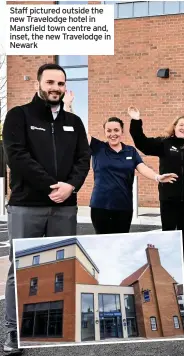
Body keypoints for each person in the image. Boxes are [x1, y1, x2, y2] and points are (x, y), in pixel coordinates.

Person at [2, 64, 91, 355]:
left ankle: (51, 324)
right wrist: (52, 185)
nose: (56, 87)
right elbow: (16, 156)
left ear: (65, 87)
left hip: (65, 207)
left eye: (61, 83)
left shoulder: (74, 122)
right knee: (22, 268)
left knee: (60, 267)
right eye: (51, 81)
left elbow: (83, 159)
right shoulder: (19, 116)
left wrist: (71, 187)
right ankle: (14, 331)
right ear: (40, 83)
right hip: (27, 205)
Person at [62, 94, 177, 235]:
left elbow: (142, 168)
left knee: (121, 245)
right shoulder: (98, 147)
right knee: (103, 243)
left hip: (124, 206)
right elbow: (78, 130)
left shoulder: (130, 151)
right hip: (100, 206)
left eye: (116, 130)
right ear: (105, 132)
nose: (113, 134)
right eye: (109, 131)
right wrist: (68, 106)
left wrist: (157, 177)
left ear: (122, 132)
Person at [128, 107, 184, 277]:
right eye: (181, 125)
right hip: (169, 196)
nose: (183, 128)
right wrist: (136, 121)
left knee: (183, 231)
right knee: (168, 231)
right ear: (174, 127)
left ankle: (179, 266)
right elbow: (142, 143)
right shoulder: (164, 143)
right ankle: (167, 267)